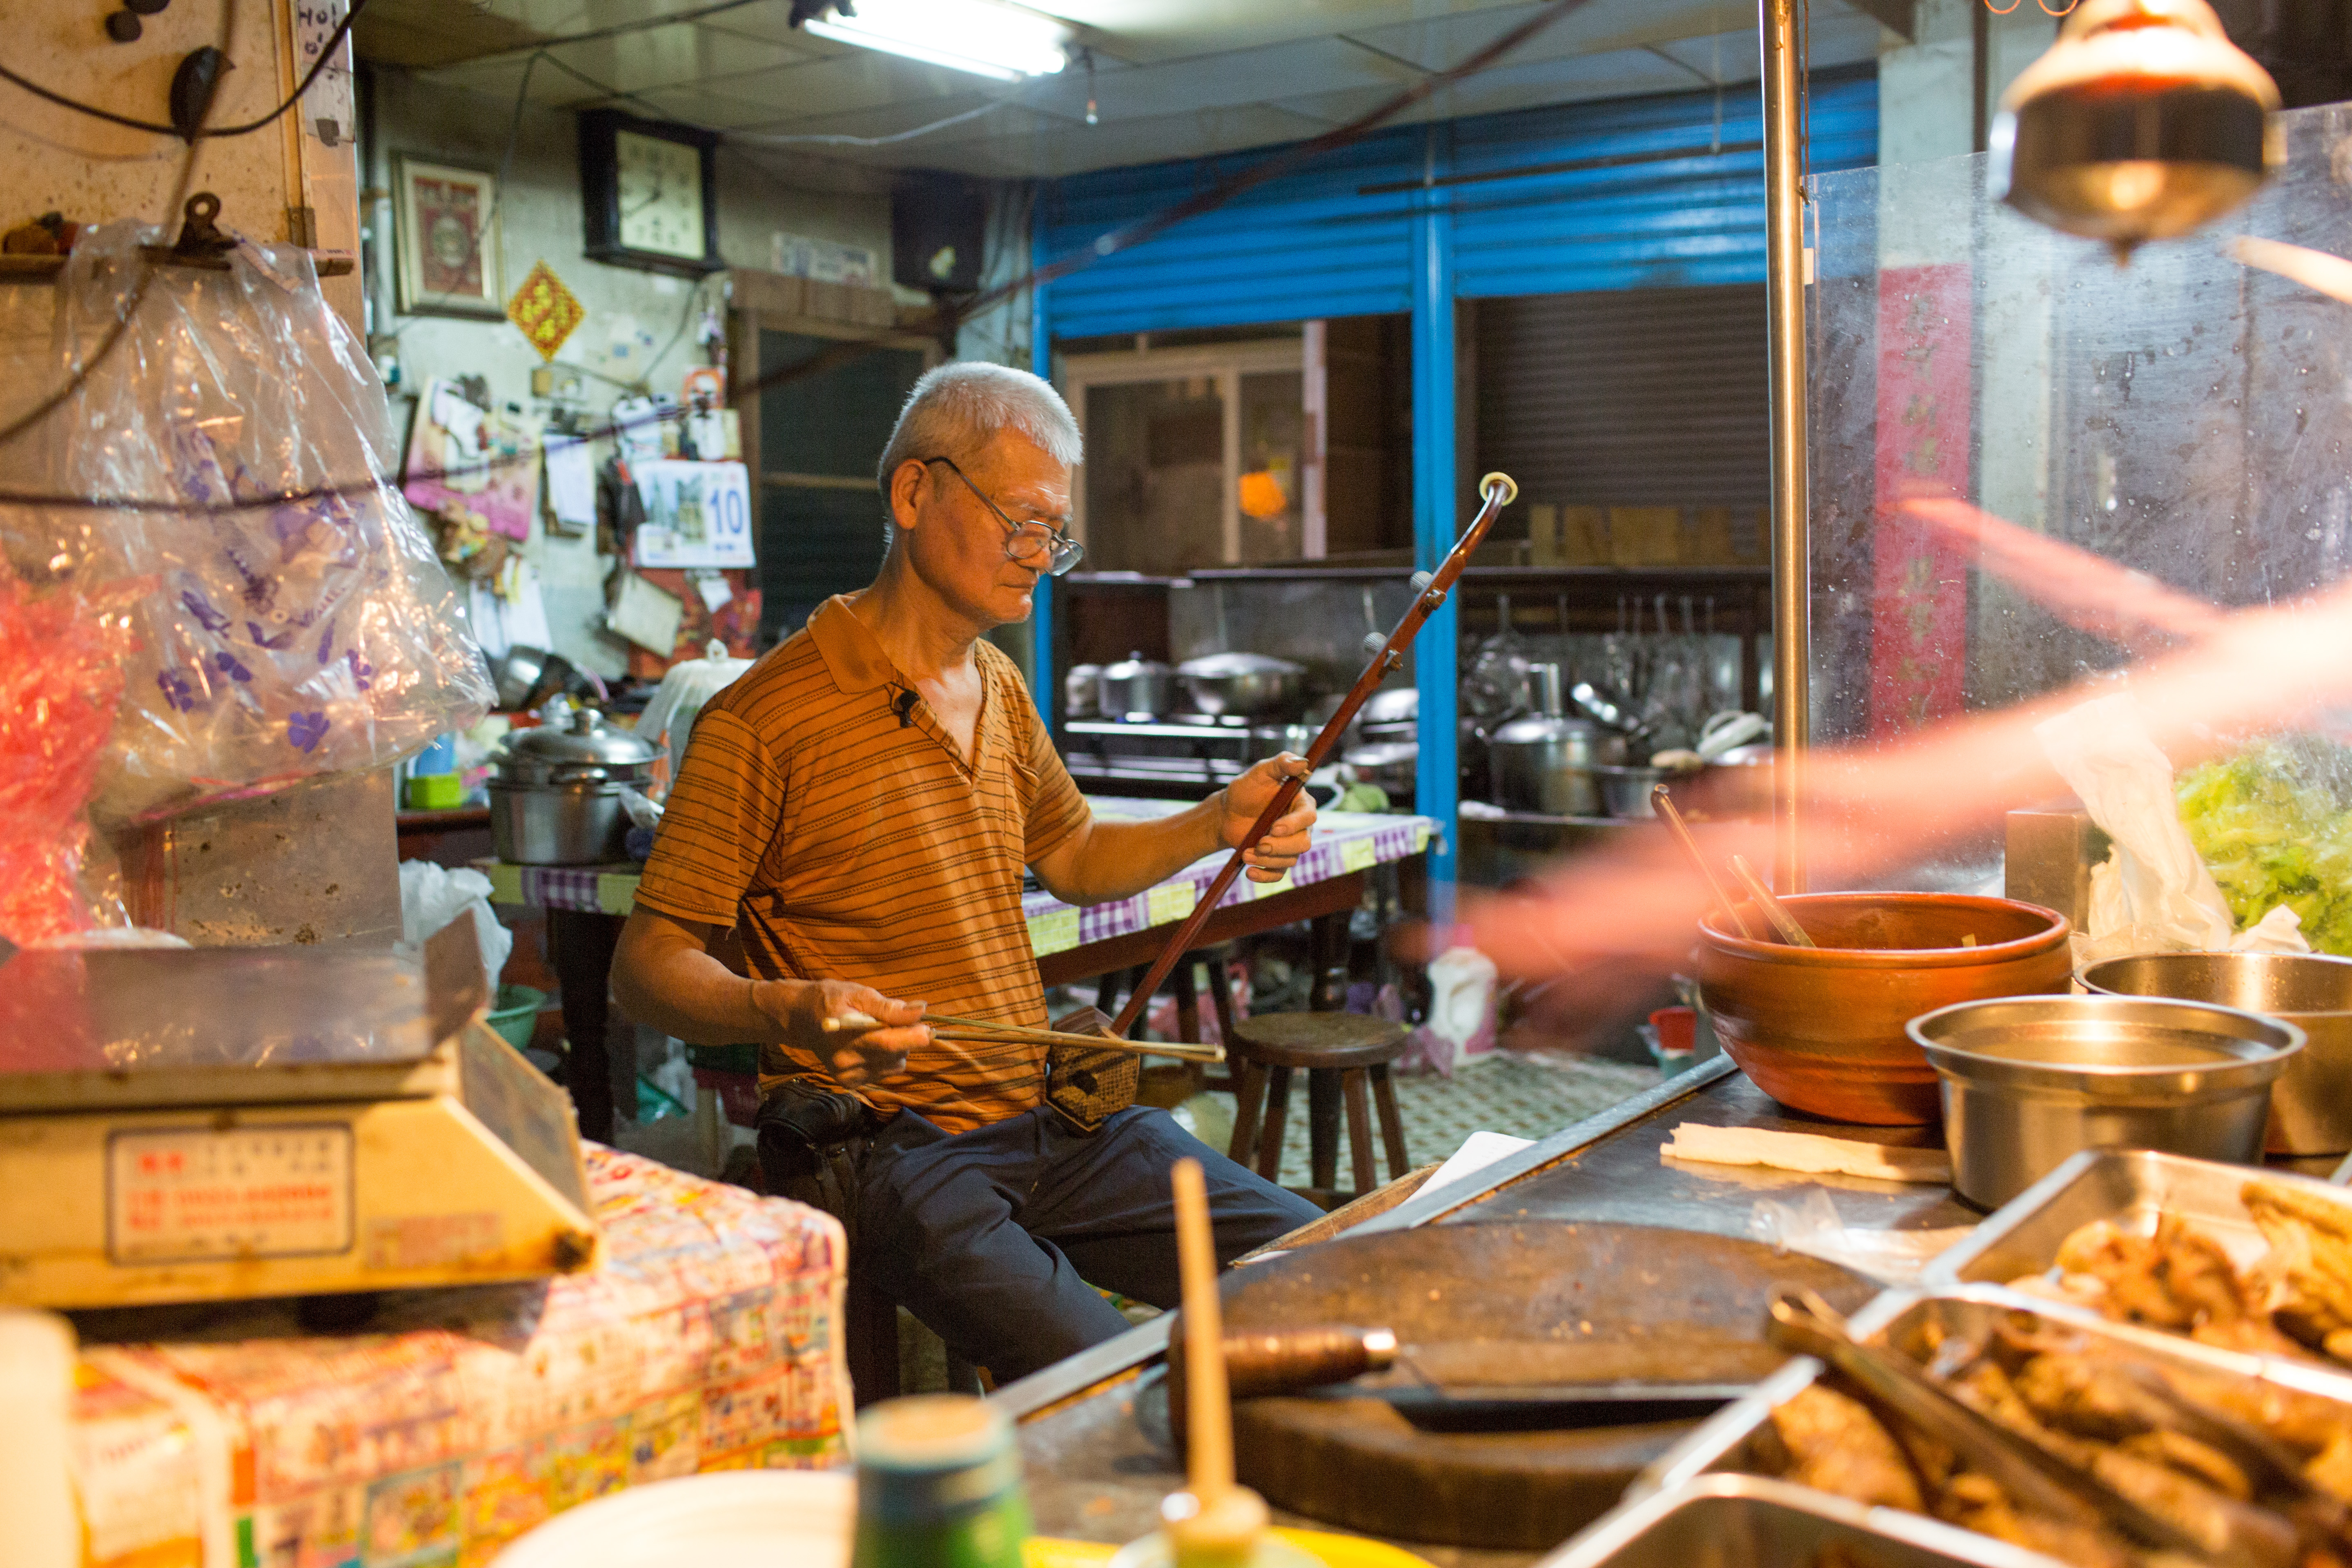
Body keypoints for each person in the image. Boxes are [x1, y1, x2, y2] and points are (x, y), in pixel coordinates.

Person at [612, 361, 1325, 1383]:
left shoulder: (996, 683)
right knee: (1120, 1382)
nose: (1042, 556)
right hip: (896, 1151)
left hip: (1051, 1119)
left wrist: (1218, 821)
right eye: (1022, 521)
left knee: (1321, 1262)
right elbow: (645, 968)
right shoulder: (760, 723)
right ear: (914, 494)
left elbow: (1073, 855)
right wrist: (793, 1008)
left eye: (1056, 533)